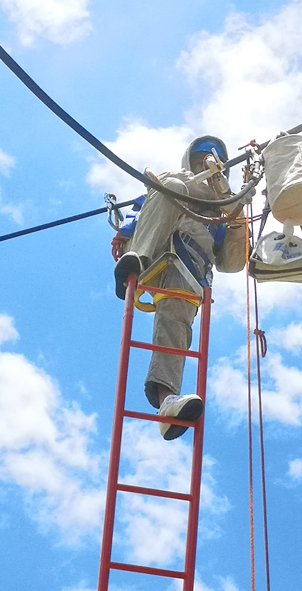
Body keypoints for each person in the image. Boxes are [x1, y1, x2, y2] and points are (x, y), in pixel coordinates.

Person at [110, 135, 247, 440]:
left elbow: (233, 263)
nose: (207, 166)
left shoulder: (226, 212)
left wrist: (238, 219)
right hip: (152, 248)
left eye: (211, 161)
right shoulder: (178, 183)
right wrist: (227, 196)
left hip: (188, 265)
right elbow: (167, 190)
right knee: (172, 187)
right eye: (201, 160)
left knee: (175, 325)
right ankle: (136, 263)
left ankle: (166, 403)